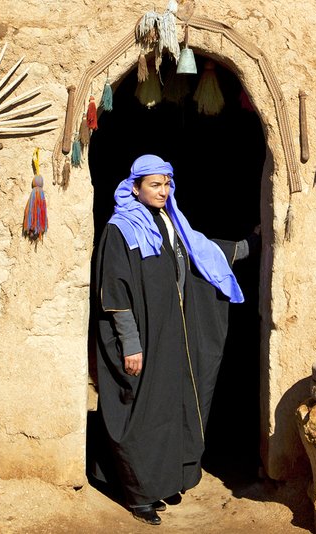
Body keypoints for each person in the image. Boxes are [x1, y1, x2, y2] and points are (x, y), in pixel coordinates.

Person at [92, 154, 258, 525]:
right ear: (135, 187)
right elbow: (115, 294)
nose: (163, 191)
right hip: (141, 339)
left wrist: (249, 244)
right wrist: (131, 345)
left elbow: (198, 254)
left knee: (165, 411)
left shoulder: (169, 222)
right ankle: (137, 496)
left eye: (167, 184)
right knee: (140, 413)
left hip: (167, 335)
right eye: (154, 184)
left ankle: (157, 484)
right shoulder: (121, 230)